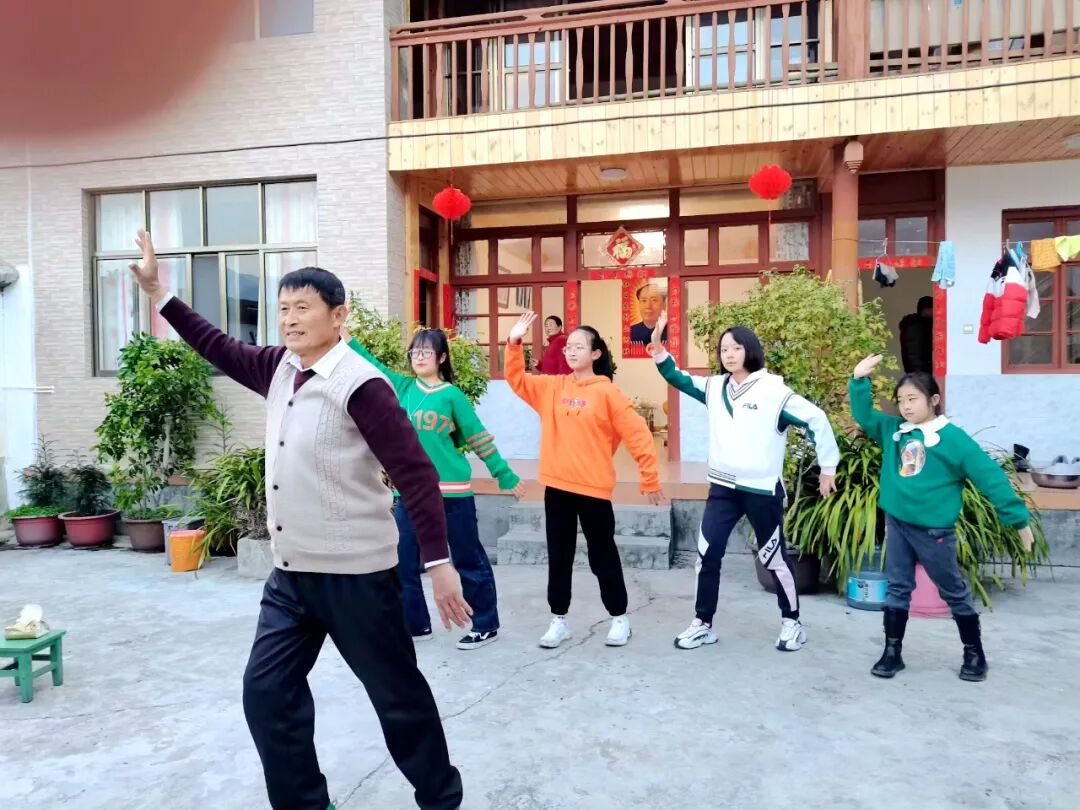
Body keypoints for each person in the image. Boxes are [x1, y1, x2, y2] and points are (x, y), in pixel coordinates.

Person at [128, 229, 467, 810]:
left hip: (358, 576)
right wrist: (160, 293)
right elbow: (216, 344)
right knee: (266, 692)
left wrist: (438, 564)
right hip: (291, 575)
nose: (289, 319)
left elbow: (415, 475)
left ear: (338, 316)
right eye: (283, 308)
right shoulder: (280, 368)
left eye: (303, 308)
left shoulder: (362, 385)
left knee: (397, 699)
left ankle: (441, 798)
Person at [648, 316, 839, 652]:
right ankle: (703, 624)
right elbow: (678, 378)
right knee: (707, 554)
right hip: (722, 489)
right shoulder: (714, 387)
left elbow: (816, 419)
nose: (729, 354)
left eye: (735, 348)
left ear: (749, 350)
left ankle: (792, 622)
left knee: (773, 557)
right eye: (724, 349)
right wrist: (660, 351)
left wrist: (828, 467)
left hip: (761, 491)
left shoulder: (774, 392)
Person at [850, 354, 1035, 682]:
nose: (905, 406)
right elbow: (865, 415)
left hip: (933, 531)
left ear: (934, 400)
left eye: (913, 399)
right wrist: (859, 380)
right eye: (900, 400)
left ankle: (974, 653)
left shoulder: (953, 440)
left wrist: (1018, 520)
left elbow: (990, 478)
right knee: (897, 587)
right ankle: (892, 652)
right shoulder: (895, 431)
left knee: (952, 589)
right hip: (897, 523)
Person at [345, 327, 524, 650]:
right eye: (415, 352)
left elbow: (477, 436)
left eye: (427, 352)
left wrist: (504, 473)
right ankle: (416, 624)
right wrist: (343, 334)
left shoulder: (451, 396)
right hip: (410, 494)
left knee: (468, 560)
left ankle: (486, 623)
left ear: (441, 358)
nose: (419, 357)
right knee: (403, 561)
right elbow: (370, 363)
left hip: (452, 492)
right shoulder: (401, 387)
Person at [504, 311, 664, 649]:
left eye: (579, 346)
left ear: (595, 353)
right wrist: (515, 342)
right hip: (557, 486)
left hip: (593, 489)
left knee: (602, 555)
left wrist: (649, 478)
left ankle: (619, 618)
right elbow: (516, 379)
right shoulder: (553, 387)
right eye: (569, 347)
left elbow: (638, 434)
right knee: (559, 556)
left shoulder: (607, 393)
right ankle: (558, 620)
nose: (571, 351)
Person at [898, 295, 933, 373]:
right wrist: (920, 374)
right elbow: (913, 353)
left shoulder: (918, 325)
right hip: (920, 373)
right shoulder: (916, 326)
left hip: (918, 373)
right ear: (926, 309)